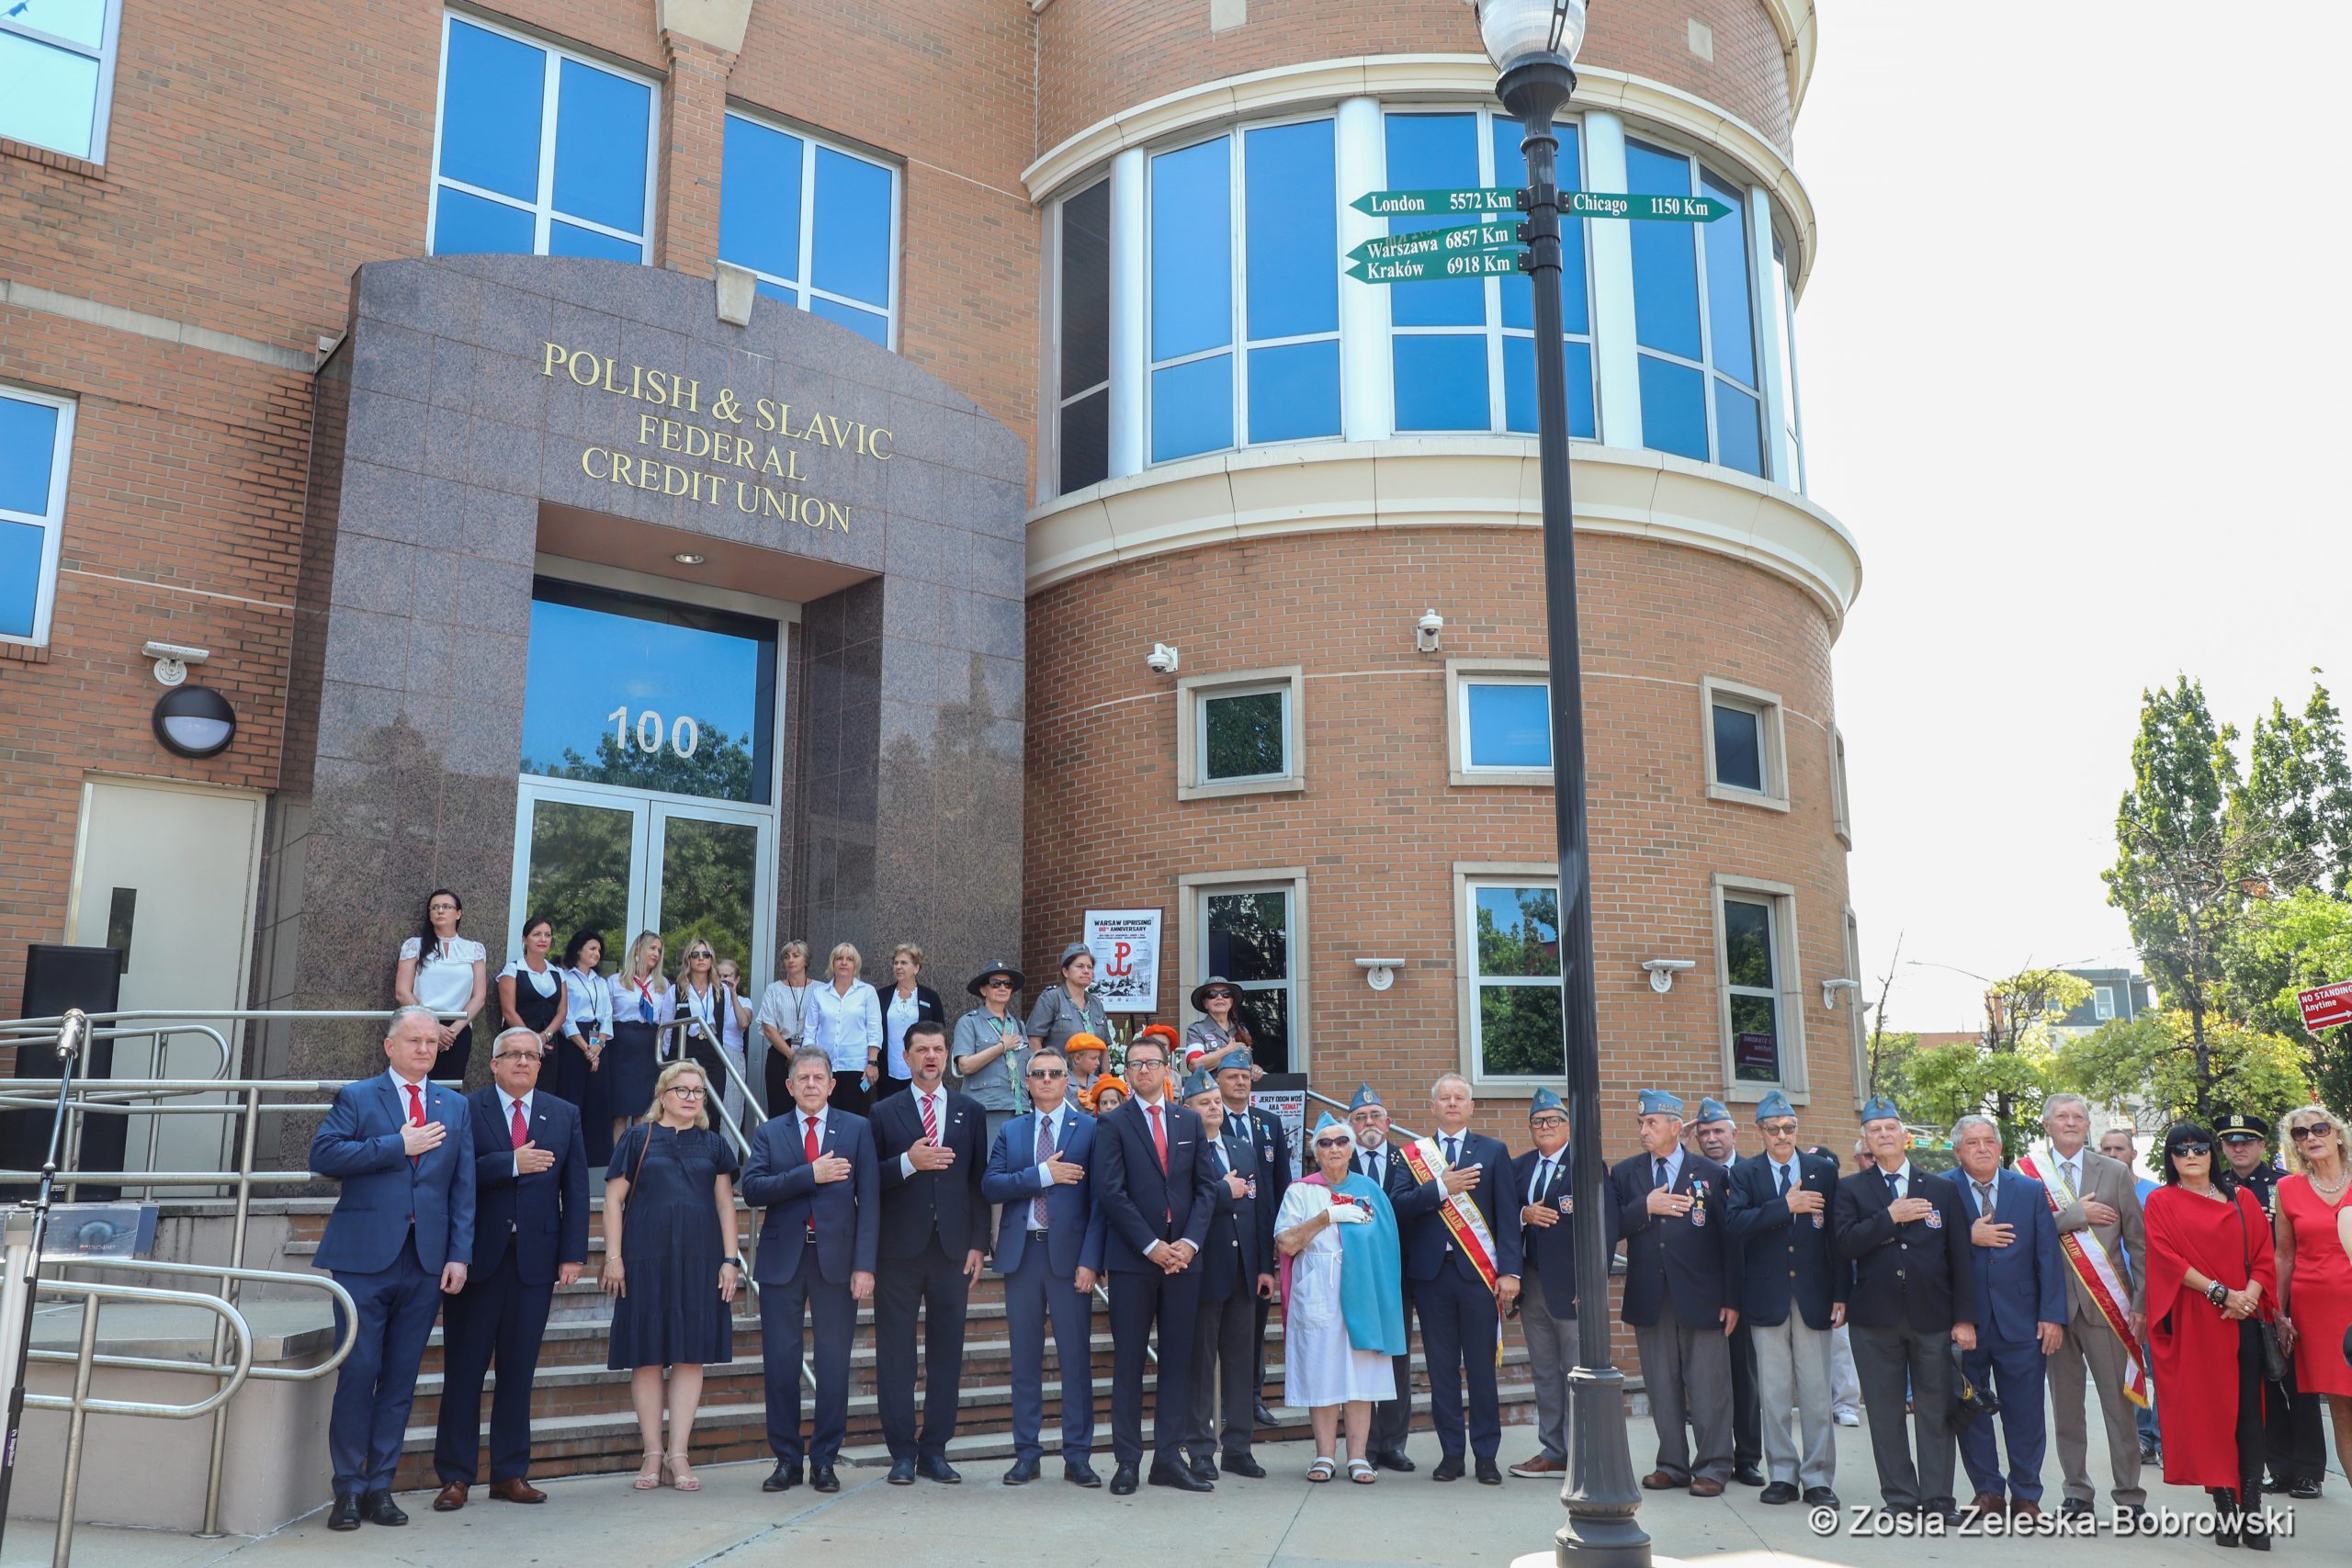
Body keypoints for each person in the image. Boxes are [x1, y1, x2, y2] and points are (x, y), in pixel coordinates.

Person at [309, 1005, 476, 1529]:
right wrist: (395, 1146)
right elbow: (324, 1155)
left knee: (401, 1378)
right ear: (390, 1046)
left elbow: (463, 1187)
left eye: (431, 1042)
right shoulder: (359, 1096)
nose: (424, 1049)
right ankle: (347, 1489)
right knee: (359, 1373)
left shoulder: (455, 1105)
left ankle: (381, 1487)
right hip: (363, 1259)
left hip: (425, 1261)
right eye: (413, 1041)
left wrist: (459, 1253)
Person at [432, 1027, 590, 1509]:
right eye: (513, 1054)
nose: (523, 1062)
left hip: (535, 1262)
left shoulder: (563, 1113)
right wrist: (511, 1163)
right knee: (464, 1371)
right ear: (494, 1063)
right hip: (476, 1259)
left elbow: (576, 1190)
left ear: (540, 1065)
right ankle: (455, 1477)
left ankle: (509, 1473)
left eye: (531, 1056)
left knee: (519, 1372)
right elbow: (452, 1175)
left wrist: (572, 1254)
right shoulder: (466, 1109)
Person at [740, 1046, 878, 1495]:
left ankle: (824, 1460)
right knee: (781, 1363)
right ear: (790, 1086)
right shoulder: (770, 1131)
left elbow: (870, 1202)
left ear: (832, 1085)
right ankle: (786, 1460)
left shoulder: (857, 1128)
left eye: (820, 1078)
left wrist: (865, 1265)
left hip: (837, 1262)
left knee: (833, 1364)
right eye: (804, 1078)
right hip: (782, 1262)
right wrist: (810, 1174)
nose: (812, 1085)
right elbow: (753, 1189)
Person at [1090, 1029, 1220, 1494]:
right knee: (1128, 1363)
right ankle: (1127, 1461)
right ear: (1126, 1074)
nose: (1143, 1070)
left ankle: (1168, 1458)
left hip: (1184, 1261)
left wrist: (1190, 1243)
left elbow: (1206, 1189)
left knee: (1177, 1363)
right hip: (1134, 1261)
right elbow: (1111, 1193)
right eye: (1135, 1064)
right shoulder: (1112, 1123)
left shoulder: (1189, 1122)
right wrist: (1151, 1246)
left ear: (1167, 1070)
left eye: (1152, 1063)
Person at [601, 1060, 741, 1494]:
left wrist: (730, 1260)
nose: (691, 1097)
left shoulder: (714, 1143)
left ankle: (678, 1454)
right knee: (645, 1355)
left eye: (698, 1091)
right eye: (682, 1090)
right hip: (644, 1258)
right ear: (662, 1096)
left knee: (689, 1354)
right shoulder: (637, 1138)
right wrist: (613, 1257)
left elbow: (725, 1204)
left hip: (700, 1259)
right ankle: (652, 1453)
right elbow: (612, 1199)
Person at [1836, 1094, 1975, 1522]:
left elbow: (1960, 1256)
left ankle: (1938, 1498)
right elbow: (1844, 1244)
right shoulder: (1850, 1189)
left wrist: (1964, 1319)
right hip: (1874, 1319)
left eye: (1890, 1128)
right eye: (1874, 1130)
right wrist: (1889, 1217)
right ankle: (1899, 1496)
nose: (1884, 1135)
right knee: (1885, 1412)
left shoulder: (1941, 1189)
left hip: (1932, 1316)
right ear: (1865, 1141)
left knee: (1936, 1410)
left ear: (1906, 1136)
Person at [2144, 1121, 2278, 1548]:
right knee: (2211, 1416)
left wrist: (2248, 1298)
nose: (2191, 1156)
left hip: (2244, 1320)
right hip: (2198, 1322)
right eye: (2180, 1150)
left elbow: (2264, 1256)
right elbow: (2166, 1259)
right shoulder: (2161, 1201)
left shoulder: (2242, 1200)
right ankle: (2225, 1510)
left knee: (2248, 1416)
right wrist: (2221, 1293)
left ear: (2210, 1153)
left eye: (2199, 1147)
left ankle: (2252, 1510)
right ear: (2171, 1158)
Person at [2018, 1091, 2150, 1517]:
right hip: (2053, 1310)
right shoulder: (2027, 1174)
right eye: (2062, 1116)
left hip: (2107, 1308)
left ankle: (2129, 1495)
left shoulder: (2114, 1172)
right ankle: (2077, 1491)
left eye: (2078, 1116)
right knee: (2067, 1409)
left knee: (2119, 1407)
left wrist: (2141, 1302)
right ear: (2047, 1125)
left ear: (2088, 1125)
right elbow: (2023, 1234)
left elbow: (2139, 1243)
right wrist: (2073, 1216)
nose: (2071, 1122)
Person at [1386, 1072, 1522, 1484]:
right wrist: (1439, 1189)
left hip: (1479, 1277)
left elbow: (1507, 1216)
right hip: (1431, 1277)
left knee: (1481, 1370)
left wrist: (1510, 1271)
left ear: (1471, 1106)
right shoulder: (1413, 1155)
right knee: (1441, 1370)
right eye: (1443, 1098)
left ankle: (1486, 1456)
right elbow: (1397, 1206)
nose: (1451, 1104)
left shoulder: (1493, 1151)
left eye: (1458, 1098)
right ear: (1432, 1107)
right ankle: (1451, 1455)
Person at [981, 1043, 1106, 1486]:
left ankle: (1078, 1456)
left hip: (1070, 1259)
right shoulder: (1012, 1131)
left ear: (1066, 1080)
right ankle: (1026, 1454)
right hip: (1023, 1256)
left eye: (1055, 1073)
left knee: (1075, 1361)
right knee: (1024, 1361)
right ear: (1027, 1083)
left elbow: (1100, 1202)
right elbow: (991, 1186)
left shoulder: (1090, 1129)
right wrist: (1042, 1175)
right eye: (1039, 1074)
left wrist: (1091, 1260)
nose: (1047, 1080)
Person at [869, 1019, 988, 1483]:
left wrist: (979, 1243)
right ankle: (901, 1452)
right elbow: (868, 1179)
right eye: (922, 1050)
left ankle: (935, 1450)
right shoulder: (884, 1111)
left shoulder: (969, 1111)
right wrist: (907, 1162)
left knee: (947, 1354)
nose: (931, 1057)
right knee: (895, 1355)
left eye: (938, 1049)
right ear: (906, 1057)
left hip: (953, 1250)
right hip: (897, 1252)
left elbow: (978, 1183)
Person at [1608, 1089, 1737, 1497]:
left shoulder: (1711, 1173)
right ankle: (1672, 1464)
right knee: (1661, 1386)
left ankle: (1713, 1466)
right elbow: (1608, 1227)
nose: (1643, 1130)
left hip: (1702, 1296)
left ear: (1676, 1127)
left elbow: (1729, 1241)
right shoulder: (1625, 1173)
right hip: (1651, 1295)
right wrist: (1645, 1207)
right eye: (1640, 1123)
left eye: (1651, 1123)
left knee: (1709, 1386)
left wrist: (1732, 1298)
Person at [1723, 1089, 1844, 1507]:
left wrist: (1841, 1293)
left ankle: (1818, 1478)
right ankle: (1783, 1475)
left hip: (1814, 1295)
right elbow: (1734, 1225)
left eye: (1789, 1128)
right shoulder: (1745, 1173)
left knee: (1815, 1393)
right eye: (1773, 1129)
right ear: (1760, 1132)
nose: (1782, 1136)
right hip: (1765, 1296)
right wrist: (1785, 1205)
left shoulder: (1823, 1171)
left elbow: (1836, 1237)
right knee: (1773, 1394)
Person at [1276, 1113, 1406, 1483]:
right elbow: (1286, 1243)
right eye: (1325, 1143)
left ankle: (1359, 1457)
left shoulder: (1370, 1190)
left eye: (1341, 1141)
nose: (1333, 1148)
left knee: (1360, 1378)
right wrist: (1327, 1216)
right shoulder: (1300, 1191)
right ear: (1315, 1152)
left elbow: (1386, 1247)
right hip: (1318, 1291)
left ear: (1352, 1149)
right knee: (1322, 1375)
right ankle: (1324, 1456)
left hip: (1363, 1293)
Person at [1951, 1113, 2065, 1517]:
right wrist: (1968, 1235)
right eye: (1972, 1142)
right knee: (1972, 1410)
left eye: (1989, 1141)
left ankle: (2027, 1495)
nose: (1982, 1148)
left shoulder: (2029, 1190)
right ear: (1957, 1151)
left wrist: (2052, 1315)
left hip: (2023, 1322)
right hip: (1967, 1323)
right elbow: (1931, 1253)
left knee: (2026, 1413)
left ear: (2000, 1147)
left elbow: (2047, 1255)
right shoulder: (1941, 1189)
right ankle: (1988, 1492)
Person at [2218, 1109, 2324, 1498]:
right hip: (2238, 1298)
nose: (2239, 1148)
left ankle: (2309, 1471)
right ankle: (2278, 1468)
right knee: (2262, 1385)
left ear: (2262, 1145)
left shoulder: (2285, 1185)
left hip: (2284, 1295)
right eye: (2231, 1143)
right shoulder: (2215, 1187)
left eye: (2247, 1141)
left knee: (2298, 1384)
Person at [1182, 1067, 1272, 1481]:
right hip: (1202, 1271)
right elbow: (1183, 1206)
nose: (1214, 1107)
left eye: (1216, 1101)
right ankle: (1201, 1449)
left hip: (1243, 1273)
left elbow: (1259, 1209)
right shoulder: (1183, 1150)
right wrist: (1223, 1191)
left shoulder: (1242, 1149)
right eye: (1204, 1102)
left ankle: (1238, 1448)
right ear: (1187, 1109)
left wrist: (1264, 1266)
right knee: (1200, 1367)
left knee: (1240, 1364)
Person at [2275, 1103, 2352, 1484]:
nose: (2311, 1137)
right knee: (2342, 1409)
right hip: (2317, 1312)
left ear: (2337, 1134)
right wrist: (2278, 1312)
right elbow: (2284, 1255)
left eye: (2320, 1128)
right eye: (2301, 1133)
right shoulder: (2287, 1189)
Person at [1215, 1046, 1291, 1428]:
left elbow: (1282, 1184)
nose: (1240, 1082)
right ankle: (1222, 1403)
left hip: (1261, 1236)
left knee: (1256, 1326)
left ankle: (1253, 1397)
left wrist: (1280, 1234)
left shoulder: (1268, 1123)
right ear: (1218, 1083)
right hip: (1223, 1238)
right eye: (1232, 1077)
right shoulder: (1208, 1123)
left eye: (1245, 1077)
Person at [1508, 1088, 1580, 1481]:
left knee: (1577, 1373)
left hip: (1572, 1287)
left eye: (1553, 1120)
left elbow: (1603, 1228)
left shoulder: (1585, 1164)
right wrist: (1524, 1214)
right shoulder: (1519, 1167)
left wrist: (1590, 1284)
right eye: (1538, 1121)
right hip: (1531, 1283)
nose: (1545, 1126)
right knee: (1545, 1372)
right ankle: (1554, 1450)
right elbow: (1503, 1215)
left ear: (1567, 1126)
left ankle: (1583, 1451)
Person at [1690, 1097, 1762, 1486]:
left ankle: (1747, 1457)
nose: (1711, 1139)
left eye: (1718, 1131)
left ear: (1734, 1133)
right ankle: (1711, 1454)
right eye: (1703, 1133)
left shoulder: (1751, 1173)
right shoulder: (1692, 1174)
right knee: (1708, 1381)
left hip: (1747, 1290)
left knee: (1743, 1377)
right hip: (1705, 1291)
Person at [1348, 1084, 1417, 1471]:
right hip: (1356, 1275)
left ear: (1388, 1124)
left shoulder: (1408, 1160)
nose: (1368, 1123)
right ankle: (1366, 1443)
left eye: (1375, 1116)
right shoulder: (1340, 1162)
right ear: (1351, 1126)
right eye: (1360, 1118)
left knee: (1397, 1357)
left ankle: (1393, 1442)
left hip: (1398, 1274)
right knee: (1360, 1357)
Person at [2101, 1125, 2164, 1465]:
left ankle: (2165, 1438)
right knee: (2130, 1371)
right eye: (2107, 1149)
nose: (2113, 1155)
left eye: (2119, 1149)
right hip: (2112, 1297)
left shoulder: (2156, 1194)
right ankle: (2142, 1438)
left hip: (2153, 1295)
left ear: (2133, 1154)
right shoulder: (2094, 1195)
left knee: (2161, 1371)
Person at [394, 888, 487, 1082]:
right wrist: (433, 1025)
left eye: (446, 907)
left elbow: (479, 997)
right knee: (413, 1084)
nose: (440, 911)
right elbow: (402, 992)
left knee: (448, 1088)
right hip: (419, 1024)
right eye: (434, 907)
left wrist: (453, 1031)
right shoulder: (414, 945)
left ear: (458, 913)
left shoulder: (474, 949)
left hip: (457, 1030)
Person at [952, 960, 1030, 1155]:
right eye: (996, 983)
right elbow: (965, 1066)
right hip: (987, 1107)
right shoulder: (969, 1022)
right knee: (989, 1163)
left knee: (1017, 1163)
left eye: (1008, 984)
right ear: (983, 990)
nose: (1003, 988)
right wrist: (1002, 1047)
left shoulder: (1018, 1024)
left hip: (1019, 1107)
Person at [605, 931, 672, 1156]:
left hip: (648, 1048)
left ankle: (639, 1165)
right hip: (621, 1047)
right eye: (652, 948)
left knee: (643, 1113)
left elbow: (666, 1020)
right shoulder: (615, 981)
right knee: (619, 1113)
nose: (656, 954)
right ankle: (620, 1165)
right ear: (637, 950)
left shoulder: (663, 985)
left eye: (659, 950)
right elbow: (605, 1017)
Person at [554, 931, 613, 1164]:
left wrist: (598, 1046)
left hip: (597, 1041)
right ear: (578, 950)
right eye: (592, 949)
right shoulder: (565, 978)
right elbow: (565, 1016)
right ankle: (567, 1154)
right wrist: (585, 1047)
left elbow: (607, 1015)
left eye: (599, 950)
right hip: (574, 1042)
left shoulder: (601, 982)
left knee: (597, 1099)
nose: (597, 954)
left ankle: (595, 1159)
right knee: (572, 1096)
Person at [808, 942, 882, 1116]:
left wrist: (872, 1063)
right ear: (832, 963)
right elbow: (810, 1031)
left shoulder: (867, 992)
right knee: (825, 1116)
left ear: (855, 965)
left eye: (849, 959)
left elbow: (874, 1031)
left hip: (857, 1068)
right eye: (839, 958)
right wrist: (809, 1064)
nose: (844, 962)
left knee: (855, 1116)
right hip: (824, 1067)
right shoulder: (819, 993)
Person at [754, 940, 822, 1125]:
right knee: (780, 1109)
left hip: (812, 1053)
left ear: (806, 960)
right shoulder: (774, 989)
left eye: (795, 955)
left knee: (811, 1108)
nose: (790, 960)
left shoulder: (821, 989)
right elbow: (768, 1027)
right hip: (780, 1054)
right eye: (786, 956)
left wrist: (805, 1056)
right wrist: (792, 1055)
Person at [670, 941, 734, 1123]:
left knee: (713, 1110)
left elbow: (724, 1023)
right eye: (695, 954)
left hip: (712, 1050)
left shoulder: (722, 990)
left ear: (711, 959)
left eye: (706, 955)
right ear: (688, 959)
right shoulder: (676, 989)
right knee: (685, 1107)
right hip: (686, 1051)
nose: (701, 959)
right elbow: (667, 1027)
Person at [1828, 1137, 1868, 1428]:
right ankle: (1821, 1404)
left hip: (1841, 1286)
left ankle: (1846, 1405)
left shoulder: (1845, 1198)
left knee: (1842, 1347)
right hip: (1808, 1287)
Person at [876, 942, 947, 1104]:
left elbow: (940, 1032)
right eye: (896, 963)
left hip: (920, 1070)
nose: (898, 967)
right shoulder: (882, 996)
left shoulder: (930, 997)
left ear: (916, 968)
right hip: (888, 1072)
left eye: (904, 963)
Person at [495, 916, 567, 1056]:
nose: (543, 939)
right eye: (537, 934)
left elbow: (562, 1012)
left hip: (549, 1044)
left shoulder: (558, 973)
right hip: (516, 1043)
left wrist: (545, 1036)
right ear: (525, 939)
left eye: (547, 935)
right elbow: (508, 1011)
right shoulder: (513, 970)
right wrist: (533, 1040)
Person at [1027, 942, 1110, 1061]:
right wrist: (1043, 1069)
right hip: (1059, 1071)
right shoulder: (1051, 999)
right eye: (1080, 966)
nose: (1086, 971)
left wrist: (1106, 1073)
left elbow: (1104, 1047)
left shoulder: (1097, 1004)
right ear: (1065, 971)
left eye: (1090, 967)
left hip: (1094, 1073)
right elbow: (1034, 1041)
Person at [712, 957, 754, 1128]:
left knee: (731, 1110)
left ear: (737, 979)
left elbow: (744, 1023)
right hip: (711, 1053)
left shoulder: (744, 1002)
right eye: (719, 975)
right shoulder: (707, 1000)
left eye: (727, 976)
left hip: (732, 1056)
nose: (723, 979)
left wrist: (733, 995)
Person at [1183, 976, 1250, 1072]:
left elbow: (1248, 1064)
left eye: (1225, 994)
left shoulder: (1242, 1031)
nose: (1219, 997)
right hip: (1211, 1081)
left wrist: (1255, 1069)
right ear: (1205, 1003)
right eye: (1212, 994)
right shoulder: (1196, 1030)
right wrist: (1228, 1050)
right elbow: (1194, 1065)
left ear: (1231, 1002)